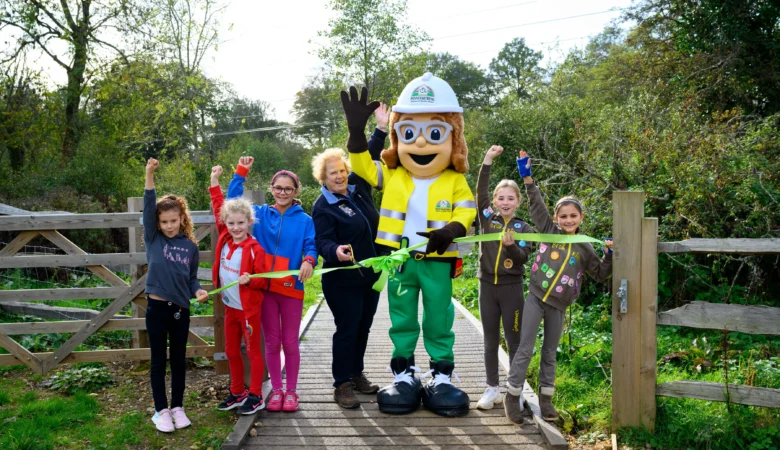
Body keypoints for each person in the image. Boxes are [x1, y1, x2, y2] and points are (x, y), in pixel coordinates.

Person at [342, 75, 477, 418]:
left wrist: (452, 229)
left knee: (438, 317)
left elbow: (467, 208)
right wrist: (357, 133)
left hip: (437, 260)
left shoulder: (454, 179)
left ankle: (441, 376)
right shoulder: (395, 173)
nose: (419, 144)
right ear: (397, 137)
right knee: (401, 317)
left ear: (452, 138)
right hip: (400, 260)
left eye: (434, 133)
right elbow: (360, 168)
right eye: (408, 133)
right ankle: (404, 375)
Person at [504, 150, 613, 425]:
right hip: (536, 298)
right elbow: (536, 206)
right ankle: (512, 396)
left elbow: (600, 274)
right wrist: (527, 178)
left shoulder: (585, 247)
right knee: (525, 348)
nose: (567, 220)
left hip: (559, 306)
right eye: (563, 216)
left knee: (550, 352)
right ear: (556, 217)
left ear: (581, 218)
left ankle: (546, 400)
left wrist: (610, 254)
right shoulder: (548, 230)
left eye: (572, 216)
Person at [310, 106, 388, 409]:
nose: (340, 176)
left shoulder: (358, 187)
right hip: (342, 279)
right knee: (347, 328)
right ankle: (341, 383)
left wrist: (380, 129)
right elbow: (323, 240)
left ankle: (356, 373)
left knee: (364, 326)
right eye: (334, 173)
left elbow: (366, 154)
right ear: (324, 177)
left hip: (370, 275)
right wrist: (335, 252)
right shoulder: (323, 206)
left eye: (342, 170)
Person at [226, 157, 317, 413]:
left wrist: (309, 259)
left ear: (296, 191)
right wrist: (241, 172)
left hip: (291, 288)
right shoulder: (260, 215)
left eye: (288, 189)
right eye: (278, 188)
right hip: (264, 289)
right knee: (272, 341)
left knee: (290, 342)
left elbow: (311, 245)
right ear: (271, 188)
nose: (283, 193)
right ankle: (276, 390)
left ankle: (292, 392)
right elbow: (232, 202)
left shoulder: (305, 220)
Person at [142, 158, 209, 433]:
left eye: (173, 220)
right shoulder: (154, 239)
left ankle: (178, 407)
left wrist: (199, 290)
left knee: (179, 360)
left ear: (182, 219)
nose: (169, 225)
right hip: (157, 310)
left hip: (181, 310)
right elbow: (148, 207)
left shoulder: (190, 246)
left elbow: (192, 278)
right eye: (164, 221)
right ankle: (161, 410)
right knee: (159, 361)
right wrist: (149, 175)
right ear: (157, 223)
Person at [474, 145, 534, 410]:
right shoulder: (488, 219)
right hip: (487, 286)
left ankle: (514, 390)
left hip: (512, 289)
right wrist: (487, 161)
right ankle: (492, 389)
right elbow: (480, 193)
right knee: (489, 340)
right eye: (501, 198)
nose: (505, 202)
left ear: (518, 202)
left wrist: (511, 246)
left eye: (511, 198)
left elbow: (523, 258)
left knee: (514, 341)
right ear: (495, 201)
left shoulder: (524, 227)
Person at [208, 165, 270, 415]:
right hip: (230, 308)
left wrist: (250, 280)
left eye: (240, 223)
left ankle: (256, 395)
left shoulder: (255, 249)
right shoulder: (224, 237)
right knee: (231, 350)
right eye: (231, 223)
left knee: (253, 351)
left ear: (249, 222)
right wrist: (214, 181)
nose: (235, 227)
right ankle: (237, 392)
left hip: (248, 310)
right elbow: (217, 205)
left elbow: (263, 281)